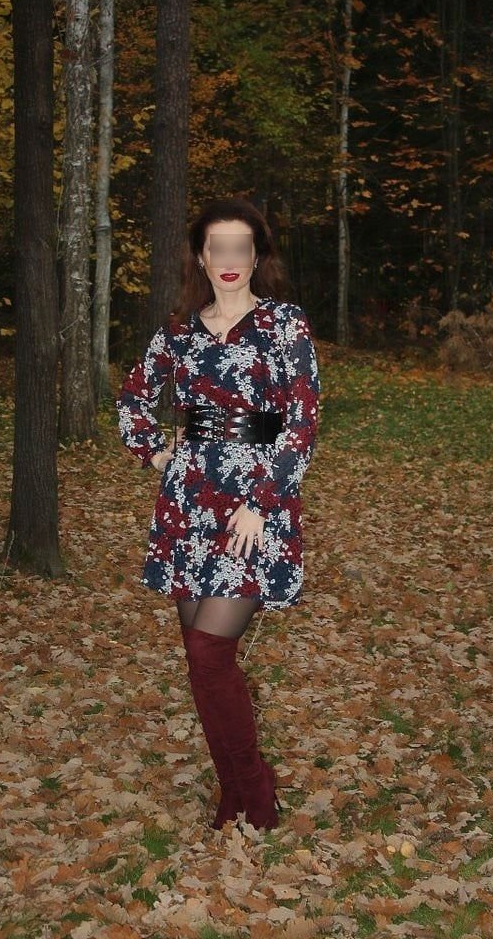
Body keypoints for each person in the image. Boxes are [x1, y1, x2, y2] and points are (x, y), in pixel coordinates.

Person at [116, 197, 320, 832]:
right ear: (201, 257)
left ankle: (255, 789)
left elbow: (302, 421)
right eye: (217, 248)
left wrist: (262, 501)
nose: (229, 259)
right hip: (190, 502)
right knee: (203, 663)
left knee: (209, 652)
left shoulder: (284, 324)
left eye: (241, 248)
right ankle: (234, 790)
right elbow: (132, 397)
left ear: (256, 257)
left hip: (256, 505)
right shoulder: (178, 330)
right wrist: (156, 452)